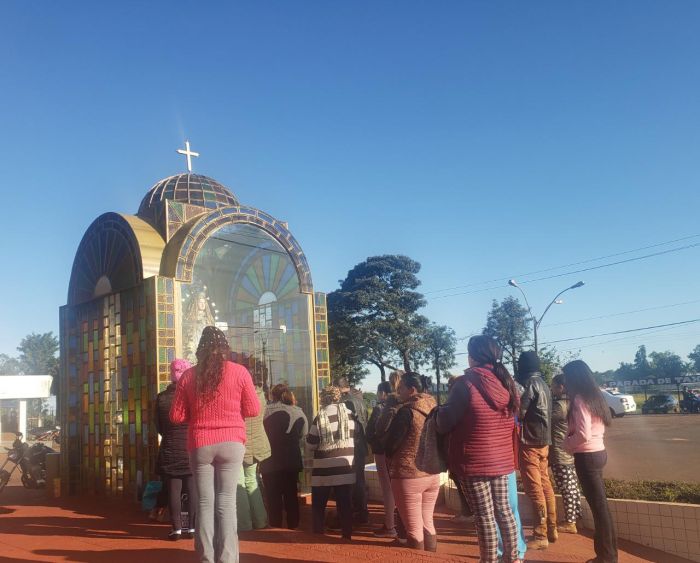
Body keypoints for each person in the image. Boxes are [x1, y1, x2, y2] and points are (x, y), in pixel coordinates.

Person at [170, 326, 261, 563]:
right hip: (232, 443)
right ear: (224, 348)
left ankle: (206, 558)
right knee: (227, 503)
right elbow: (253, 409)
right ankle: (228, 559)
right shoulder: (240, 372)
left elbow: (176, 416)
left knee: (204, 503)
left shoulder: (189, 376)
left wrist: (198, 413)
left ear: (200, 349)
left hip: (200, 443)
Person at [436, 335, 521, 563]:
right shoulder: (507, 382)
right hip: (503, 460)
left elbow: (445, 423)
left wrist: (439, 411)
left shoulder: (466, 383)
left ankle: (489, 560)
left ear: (472, 356)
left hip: (473, 461)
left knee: (484, 516)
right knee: (505, 512)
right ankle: (514, 559)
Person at [562, 360, 617, 563]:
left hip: (586, 457)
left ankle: (606, 557)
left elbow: (583, 434)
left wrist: (566, 444)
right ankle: (608, 555)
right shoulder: (596, 397)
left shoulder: (579, 399)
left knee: (599, 509)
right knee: (601, 507)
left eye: (566, 378)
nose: (565, 382)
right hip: (598, 453)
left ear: (574, 378)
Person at [383, 372, 440, 551]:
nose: (398, 392)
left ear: (412, 390)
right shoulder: (435, 408)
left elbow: (391, 443)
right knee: (428, 523)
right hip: (432, 474)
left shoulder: (406, 412)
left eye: (401, 388)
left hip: (408, 474)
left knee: (414, 530)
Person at [516, 351, 556, 549]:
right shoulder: (545, 384)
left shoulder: (529, 385)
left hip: (530, 442)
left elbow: (520, 413)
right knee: (545, 484)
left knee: (534, 488)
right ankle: (552, 528)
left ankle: (540, 536)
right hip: (544, 442)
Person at [306, 385, 356, 540]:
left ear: (324, 399)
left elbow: (310, 444)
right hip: (345, 467)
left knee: (319, 505)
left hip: (323, 470)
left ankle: (318, 534)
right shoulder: (350, 415)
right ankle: (347, 534)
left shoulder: (319, 417)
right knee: (345, 504)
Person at [155, 358, 194, 540]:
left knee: (174, 490)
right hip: (190, 448)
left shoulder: (161, 398)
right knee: (192, 488)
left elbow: (159, 427)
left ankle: (176, 528)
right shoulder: (192, 395)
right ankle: (192, 528)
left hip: (170, 448)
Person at [261, 384, 308, 529]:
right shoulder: (299, 412)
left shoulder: (265, 411)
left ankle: (275, 524)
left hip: (270, 459)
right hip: (291, 459)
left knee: (272, 495)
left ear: (272, 396)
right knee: (291, 493)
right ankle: (293, 524)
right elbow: (303, 434)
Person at [237, 376, 270, 531]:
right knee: (251, 481)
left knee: (239, 484)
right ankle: (260, 520)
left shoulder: (240, 398)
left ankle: (244, 523)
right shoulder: (261, 397)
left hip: (241, 444)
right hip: (257, 444)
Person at [550, 372, 582, 534]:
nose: (551, 388)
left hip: (559, 451)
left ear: (561, 387)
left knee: (565, 487)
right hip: (569, 449)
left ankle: (570, 522)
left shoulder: (559, 406)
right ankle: (575, 516)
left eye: (553, 385)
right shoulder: (572, 402)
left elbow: (546, 420)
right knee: (572, 485)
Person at [365, 381, 397, 538]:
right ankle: (398, 524)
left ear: (383, 393)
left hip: (381, 453)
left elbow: (370, 431)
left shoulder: (379, 408)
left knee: (387, 489)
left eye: (378, 392)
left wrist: (373, 443)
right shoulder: (401, 406)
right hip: (396, 453)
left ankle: (390, 526)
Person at [335, 376, 369, 524]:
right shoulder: (360, 400)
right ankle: (362, 512)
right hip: (361, 445)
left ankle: (352, 514)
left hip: (351, 446)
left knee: (349, 482)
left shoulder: (345, 403)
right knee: (359, 480)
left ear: (339, 388)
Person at [446, 375, 473, 525]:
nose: (450, 386)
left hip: (460, 451)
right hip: (457, 451)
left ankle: (468, 512)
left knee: (462, 482)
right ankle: (466, 511)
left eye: (451, 384)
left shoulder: (457, 402)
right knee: (459, 481)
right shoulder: (460, 399)